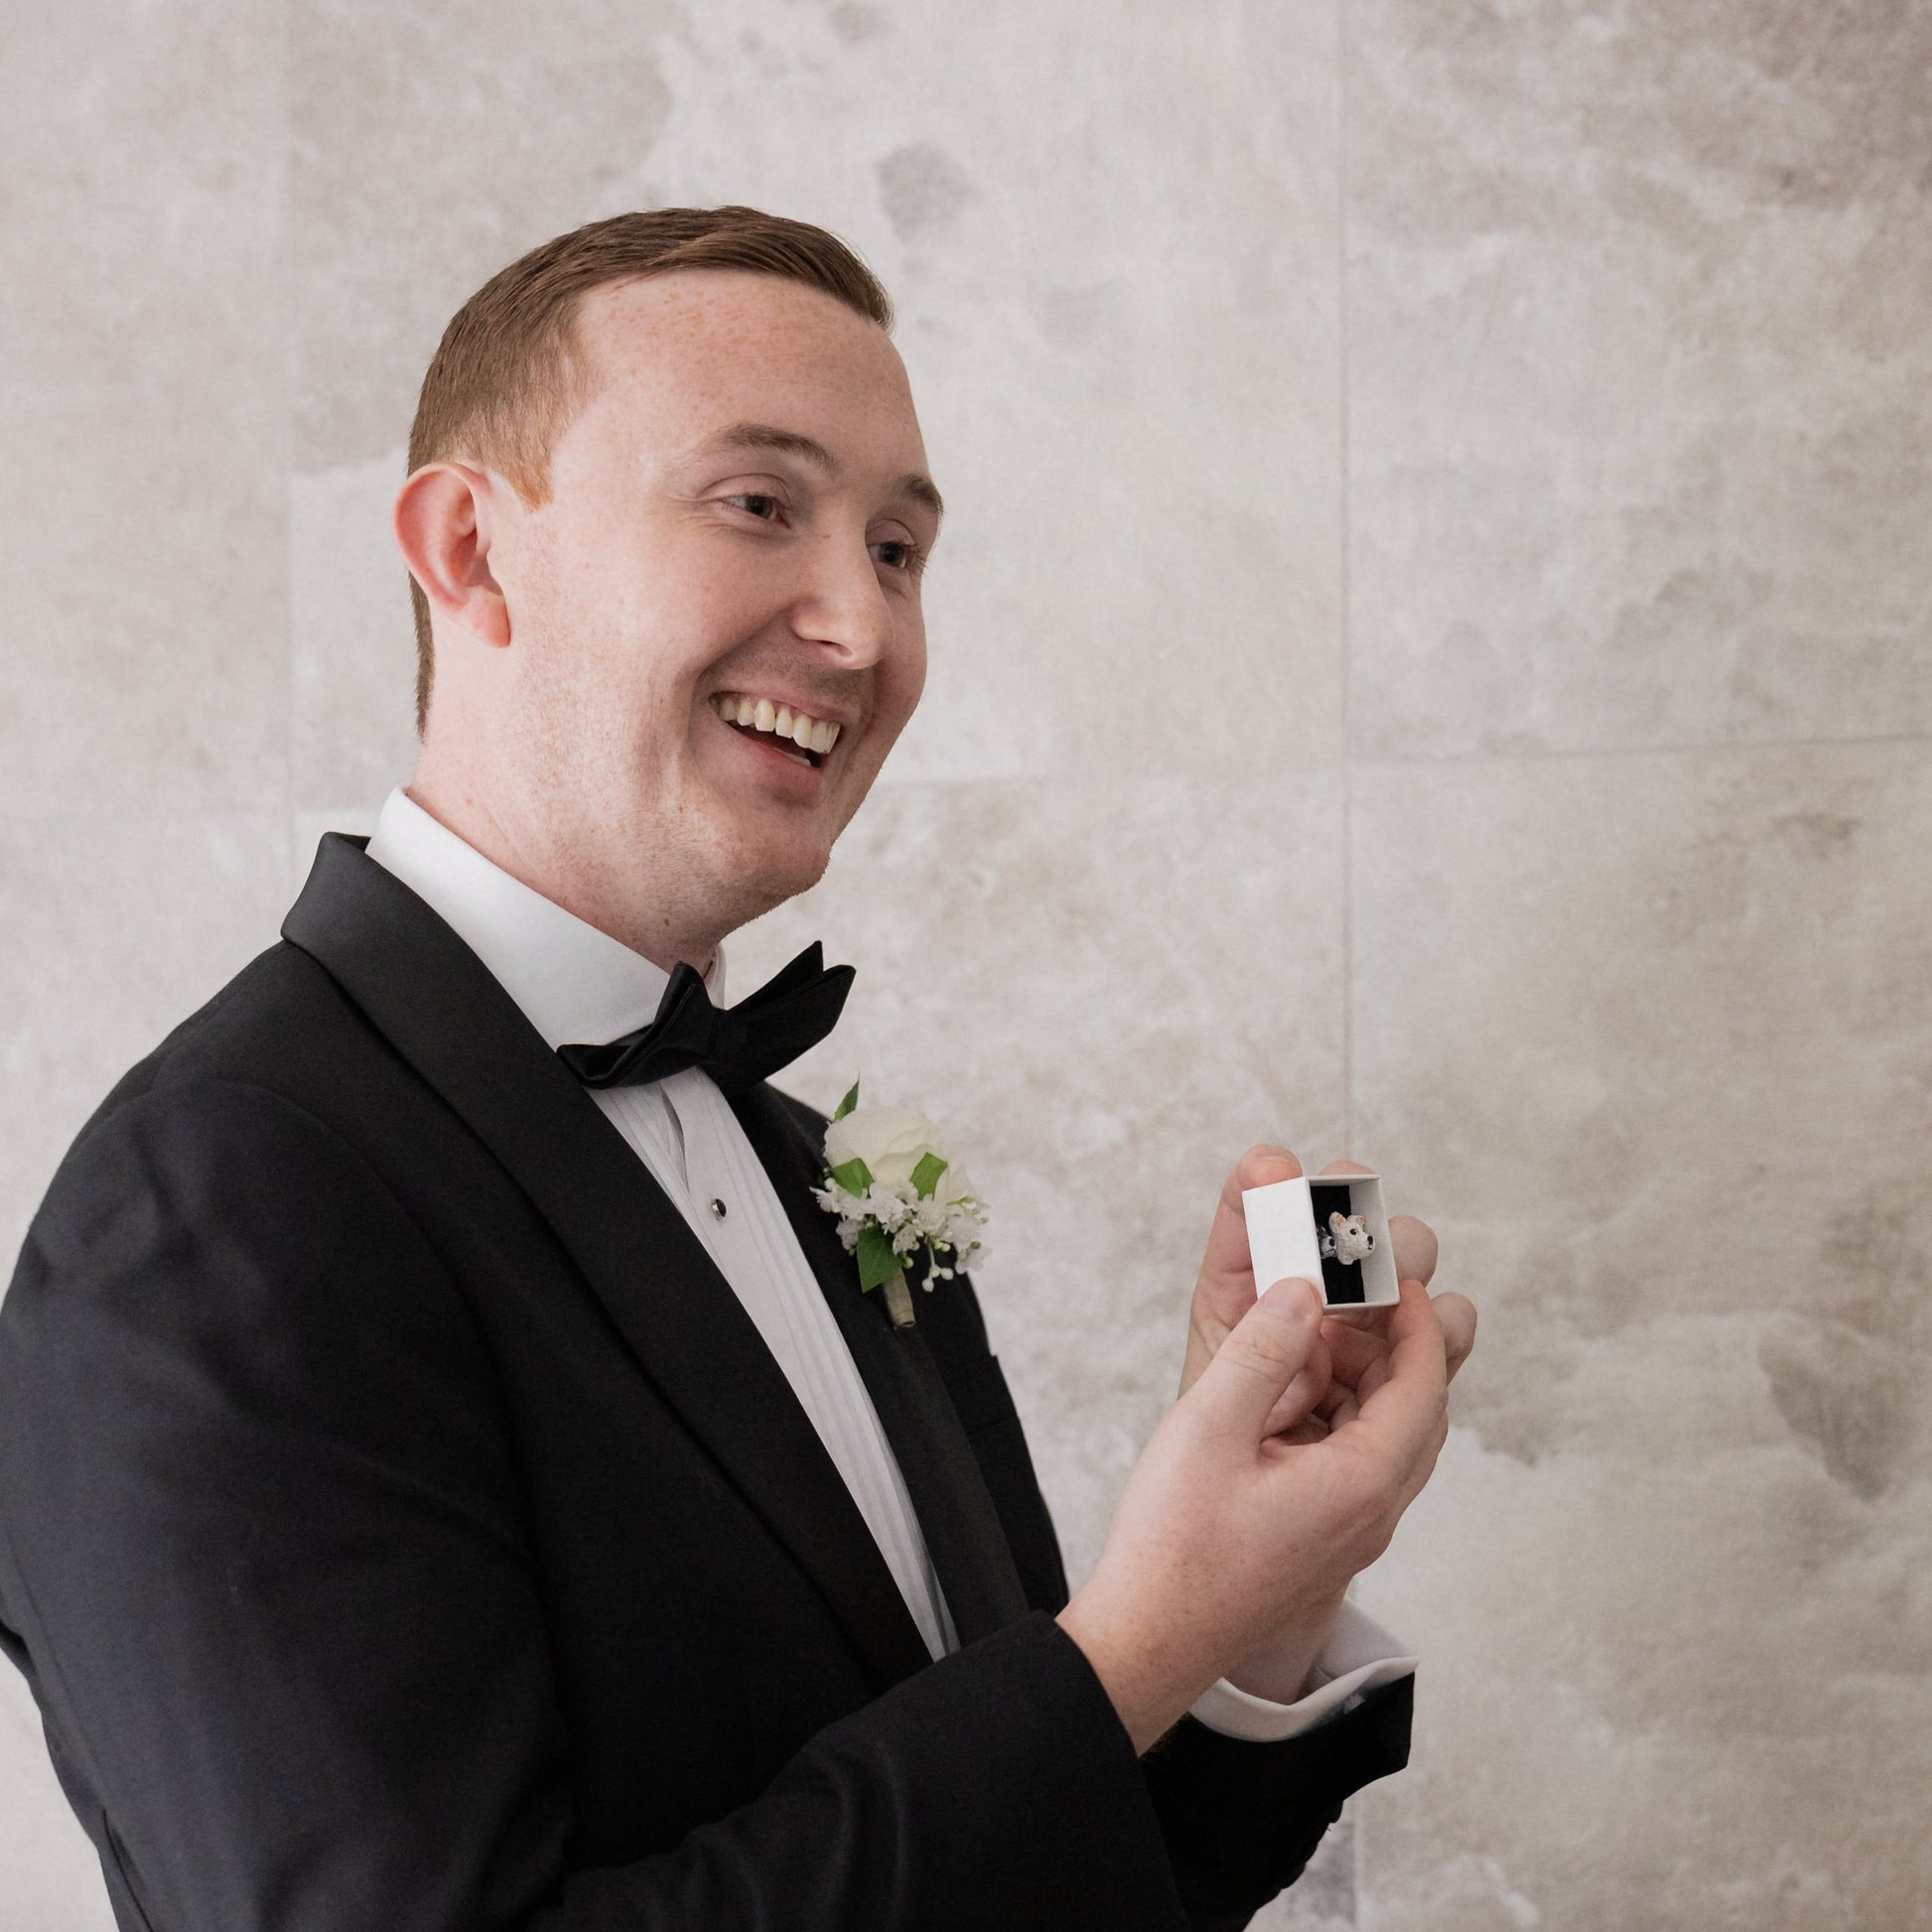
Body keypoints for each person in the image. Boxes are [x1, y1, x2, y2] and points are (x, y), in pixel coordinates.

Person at [0, 207, 1476, 1932]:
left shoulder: (799, 1155)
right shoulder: (215, 1206)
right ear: (471, 549)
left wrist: (1245, 1601)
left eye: (902, 548)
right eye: (759, 504)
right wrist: (1130, 1637)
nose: (860, 625)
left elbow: (1054, 1885)